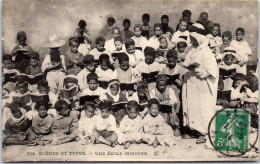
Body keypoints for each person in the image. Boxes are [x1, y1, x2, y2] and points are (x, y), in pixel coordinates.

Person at [182, 23, 218, 143]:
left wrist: (197, 69)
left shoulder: (206, 51)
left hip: (202, 86)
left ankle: (203, 132)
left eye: (193, 38)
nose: (191, 40)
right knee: (192, 107)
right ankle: (194, 130)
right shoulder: (191, 50)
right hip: (192, 84)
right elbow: (187, 63)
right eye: (190, 38)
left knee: (202, 108)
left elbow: (212, 71)